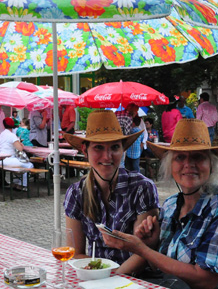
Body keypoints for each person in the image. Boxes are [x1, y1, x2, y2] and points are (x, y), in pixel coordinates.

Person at [102, 119, 218, 289]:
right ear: (170, 166)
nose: (188, 164)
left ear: (212, 165)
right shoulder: (171, 205)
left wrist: (143, 249)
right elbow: (164, 264)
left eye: (198, 157)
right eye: (180, 158)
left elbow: (205, 282)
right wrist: (151, 243)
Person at [62, 110, 158, 273]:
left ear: (122, 150)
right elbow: (76, 253)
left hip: (136, 280)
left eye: (114, 147)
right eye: (98, 147)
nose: (107, 156)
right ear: (85, 151)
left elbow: (144, 251)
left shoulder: (142, 187)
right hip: (95, 277)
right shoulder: (76, 193)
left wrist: (111, 278)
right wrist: (101, 275)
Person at [0, 117, 34, 191]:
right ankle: (23, 184)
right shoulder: (12, 135)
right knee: (29, 165)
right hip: (8, 159)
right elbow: (20, 149)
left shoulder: (2, 133)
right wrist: (20, 144)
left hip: (0, 159)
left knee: (19, 164)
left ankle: (15, 182)